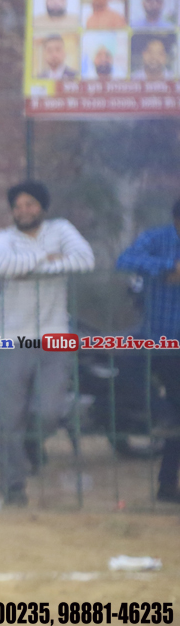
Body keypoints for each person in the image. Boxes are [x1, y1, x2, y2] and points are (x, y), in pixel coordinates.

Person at [0, 181, 94, 506]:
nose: (23, 211)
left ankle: (31, 445)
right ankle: (13, 488)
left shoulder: (61, 229)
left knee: (50, 411)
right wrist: (46, 259)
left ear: (43, 207)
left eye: (30, 204)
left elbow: (84, 259)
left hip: (54, 335)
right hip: (9, 337)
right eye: (17, 206)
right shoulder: (3, 238)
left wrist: (26, 267)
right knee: (9, 417)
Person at [116, 198, 180, 504]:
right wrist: (167, 268)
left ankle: (167, 486)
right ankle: (159, 413)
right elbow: (125, 260)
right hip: (156, 337)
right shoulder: (157, 238)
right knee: (126, 365)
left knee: (178, 417)